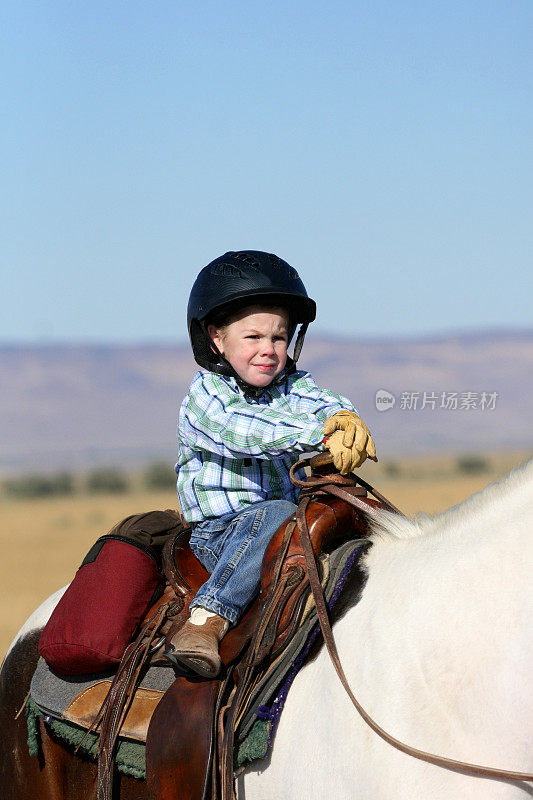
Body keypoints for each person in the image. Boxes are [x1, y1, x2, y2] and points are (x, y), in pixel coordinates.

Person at [164, 250, 376, 678]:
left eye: (278, 338)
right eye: (253, 337)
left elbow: (321, 402)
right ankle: (206, 619)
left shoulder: (291, 386)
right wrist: (318, 434)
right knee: (276, 515)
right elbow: (244, 430)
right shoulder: (204, 397)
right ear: (216, 339)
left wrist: (343, 418)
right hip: (222, 534)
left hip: (284, 524)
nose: (268, 349)